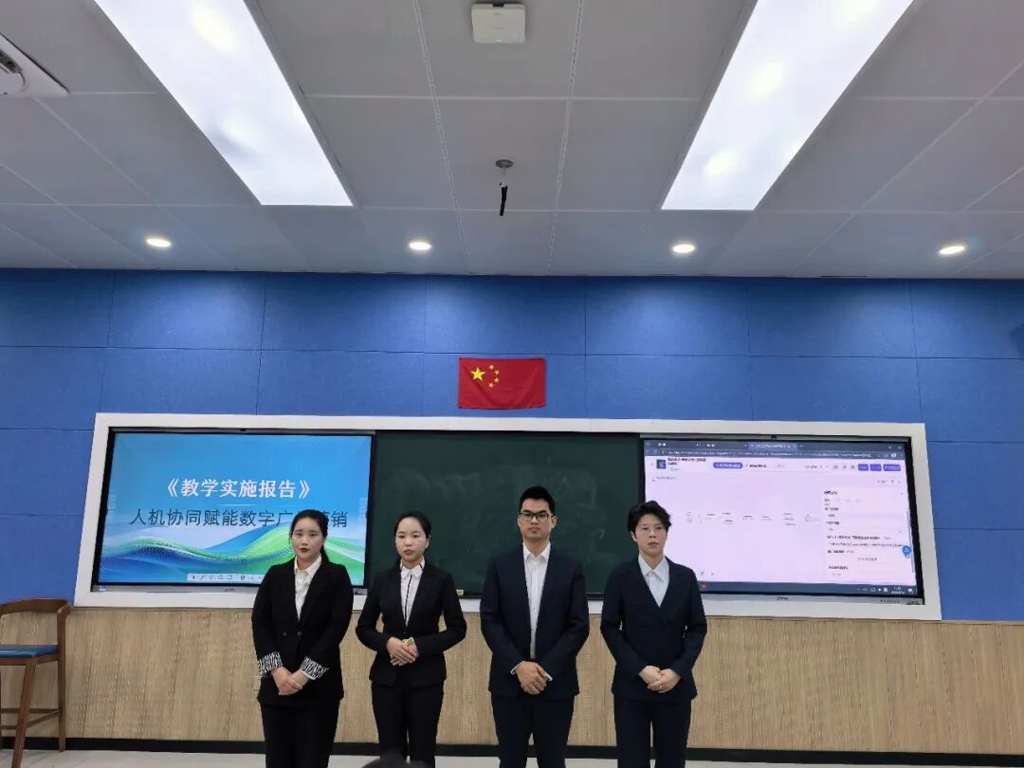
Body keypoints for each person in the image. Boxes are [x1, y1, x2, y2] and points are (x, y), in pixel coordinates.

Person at [479, 486, 589, 768]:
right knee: (510, 762)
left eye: (541, 515)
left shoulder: (571, 568)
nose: (534, 520)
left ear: (553, 521)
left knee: (553, 761)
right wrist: (519, 666)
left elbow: (578, 626)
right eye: (527, 514)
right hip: (509, 684)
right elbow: (490, 620)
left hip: (556, 685)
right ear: (519, 521)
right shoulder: (499, 565)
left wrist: (543, 670)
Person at [600, 501, 708, 768]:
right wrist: (640, 668)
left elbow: (697, 628)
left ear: (667, 533)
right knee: (631, 760)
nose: (652, 534)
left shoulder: (685, 577)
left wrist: (677, 671)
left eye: (658, 528)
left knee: (672, 760)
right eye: (644, 528)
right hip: (632, 686)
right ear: (633, 534)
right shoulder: (620, 576)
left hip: (675, 686)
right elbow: (609, 627)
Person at [356, 511, 467, 766]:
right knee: (390, 753)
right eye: (401, 536)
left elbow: (457, 628)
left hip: (427, 678)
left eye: (415, 536)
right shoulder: (382, 580)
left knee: (423, 752)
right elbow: (364, 628)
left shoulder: (441, 579)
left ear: (427, 540)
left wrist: (419, 646)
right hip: (387, 678)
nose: (408, 542)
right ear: (395, 540)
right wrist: (388, 643)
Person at [252, 509, 354, 768]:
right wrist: (277, 671)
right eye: (298, 534)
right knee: (278, 761)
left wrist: (304, 674)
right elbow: (260, 625)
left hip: (319, 689)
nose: (304, 541)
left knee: (312, 761)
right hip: (277, 687)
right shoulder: (275, 574)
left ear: (324, 538)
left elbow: (336, 628)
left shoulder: (337, 575)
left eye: (312, 534)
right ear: (290, 537)